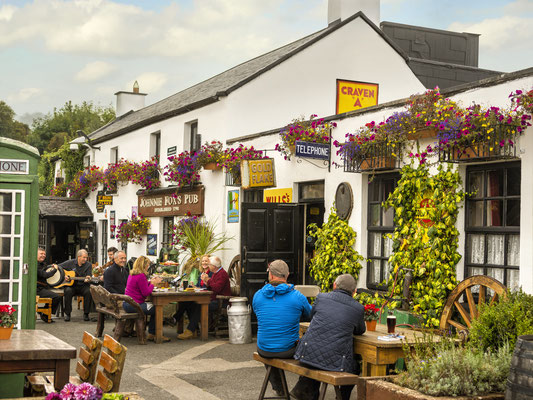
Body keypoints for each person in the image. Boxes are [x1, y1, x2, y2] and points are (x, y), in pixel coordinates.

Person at [291, 274, 365, 400]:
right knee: (356, 367)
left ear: (334, 285)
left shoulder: (321, 297)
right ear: (354, 292)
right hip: (334, 362)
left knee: (318, 356)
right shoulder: (358, 308)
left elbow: (312, 316)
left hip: (306, 353)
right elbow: (360, 330)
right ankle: (342, 398)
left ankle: (309, 393)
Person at [252, 260, 312, 396]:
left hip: (263, 349)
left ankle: (279, 387)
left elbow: (259, 314)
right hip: (287, 350)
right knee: (312, 349)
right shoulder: (297, 296)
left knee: (270, 342)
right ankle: (302, 388)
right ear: (287, 275)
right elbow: (310, 315)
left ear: (271, 275)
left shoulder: (258, 295)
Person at [177, 255, 230, 340]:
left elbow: (217, 288)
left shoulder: (222, 274)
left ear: (214, 266)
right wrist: (206, 282)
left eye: (209, 264)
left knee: (199, 305)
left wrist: (208, 280)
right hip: (212, 298)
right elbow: (212, 287)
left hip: (220, 301)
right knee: (190, 303)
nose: (208, 266)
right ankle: (194, 330)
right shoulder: (216, 273)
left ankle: (190, 330)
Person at [124, 256, 169, 342]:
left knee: (155, 307)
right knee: (158, 309)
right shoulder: (141, 276)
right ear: (143, 266)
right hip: (134, 305)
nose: (148, 267)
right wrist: (153, 284)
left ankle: (152, 333)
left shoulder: (133, 274)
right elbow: (146, 293)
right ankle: (156, 334)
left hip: (127, 304)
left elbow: (141, 285)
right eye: (147, 265)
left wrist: (150, 282)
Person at [173, 255, 211, 331]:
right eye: (203, 261)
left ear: (210, 262)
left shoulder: (211, 273)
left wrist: (201, 285)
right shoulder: (201, 273)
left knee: (190, 304)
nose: (204, 263)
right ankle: (194, 329)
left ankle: (176, 319)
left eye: (206, 261)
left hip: (207, 298)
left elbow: (209, 287)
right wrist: (192, 286)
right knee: (186, 302)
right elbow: (198, 286)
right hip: (201, 295)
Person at [59, 249, 94, 322]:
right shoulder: (70, 263)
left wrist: (88, 278)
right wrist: (64, 275)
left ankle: (86, 314)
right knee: (68, 291)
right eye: (84, 257)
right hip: (72, 285)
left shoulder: (88, 265)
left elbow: (88, 275)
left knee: (89, 291)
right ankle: (67, 314)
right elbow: (58, 267)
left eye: (86, 258)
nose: (85, 259)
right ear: (78, 257)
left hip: (83, 285)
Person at [36, 247, 62, 323]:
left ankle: (44, 313)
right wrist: (55, 270)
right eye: (41, 254)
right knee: (56, 297)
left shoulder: (42, 264)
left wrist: (51, 267)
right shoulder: (35, 265)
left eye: (44, 254)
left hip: (43, 288)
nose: (43, 255)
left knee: (56, 296)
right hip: (36, 289)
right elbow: (45, 275)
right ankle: (45, 314)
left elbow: (46, 269)